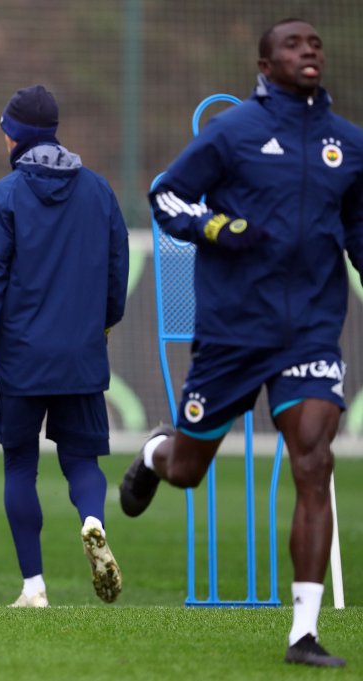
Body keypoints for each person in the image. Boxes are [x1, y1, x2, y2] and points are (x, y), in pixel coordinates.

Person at [122, 18, 362, 668]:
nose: (309, 50)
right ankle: (155, 452)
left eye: (316, 42)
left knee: (314, 461)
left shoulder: (349, 143)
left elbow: (358, 224)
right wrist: (217, 227)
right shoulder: (233, 132)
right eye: (293, 44)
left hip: (311, 331)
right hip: (233, 331)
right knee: (188, 470)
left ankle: (303, 634)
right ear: (264, 64)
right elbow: (167, 196)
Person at [0, 85, 129, 607]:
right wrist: (99, 328)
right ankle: (93, 521)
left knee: (19, 465)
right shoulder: (99, 191)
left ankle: (33, 587)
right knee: (82, 460)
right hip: (81, 354)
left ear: (14, 136)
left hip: (21, 358)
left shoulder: (3, 196)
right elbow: (117, 274)